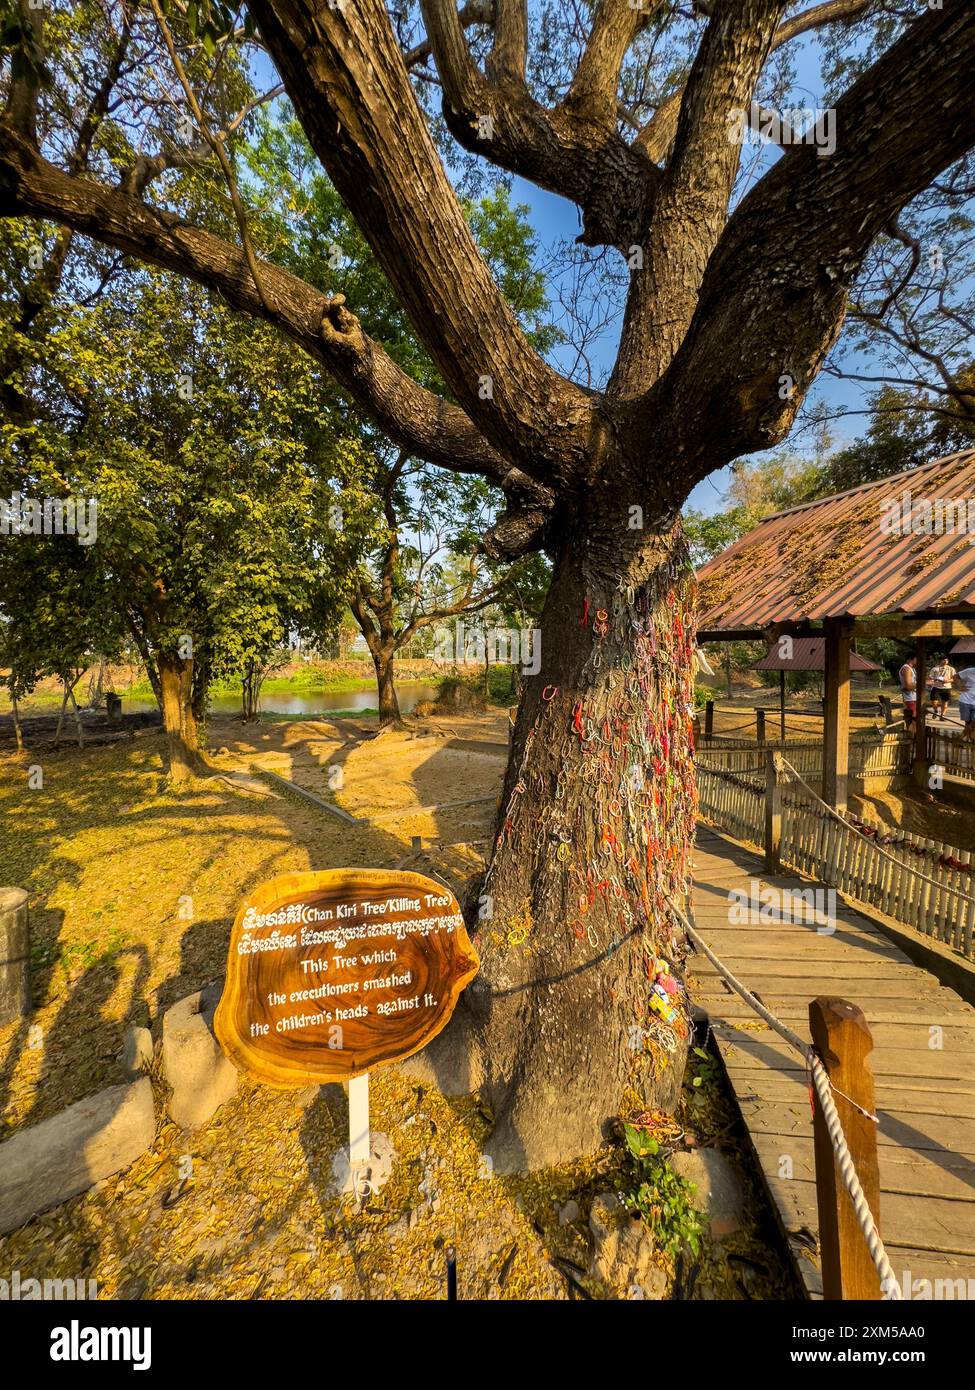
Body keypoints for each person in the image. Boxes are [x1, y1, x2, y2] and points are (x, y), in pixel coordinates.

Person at [927, 655, 956, 720]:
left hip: (947, 687)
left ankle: (942, 716)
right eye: (944, 660)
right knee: (934, 701)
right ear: (940, 661)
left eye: (947, 660)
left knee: (945, 702)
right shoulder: (935, 669)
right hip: (936, 687)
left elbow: (954, 679)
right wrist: (935, 679)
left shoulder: (951, 669)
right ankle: (935, 710)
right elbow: (930, 677)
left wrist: (947, 681)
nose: (946, 661)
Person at [955, 665, 975, 741]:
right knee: (968, 722)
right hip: (965, 700)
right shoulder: (969, 671)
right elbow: (955, 676)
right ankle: (970, 740)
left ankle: (960, 737)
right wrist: (960, 687)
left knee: (973, 723)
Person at [898, 655, 917, 733]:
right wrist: (922, 683)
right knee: (913, 718)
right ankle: (912, 736)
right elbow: (908, 686)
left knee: (914, 718)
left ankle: (913, 736)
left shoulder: (911, 669)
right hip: (910, 698)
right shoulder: (907, 669)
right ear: (910, 659)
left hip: (912, 697)